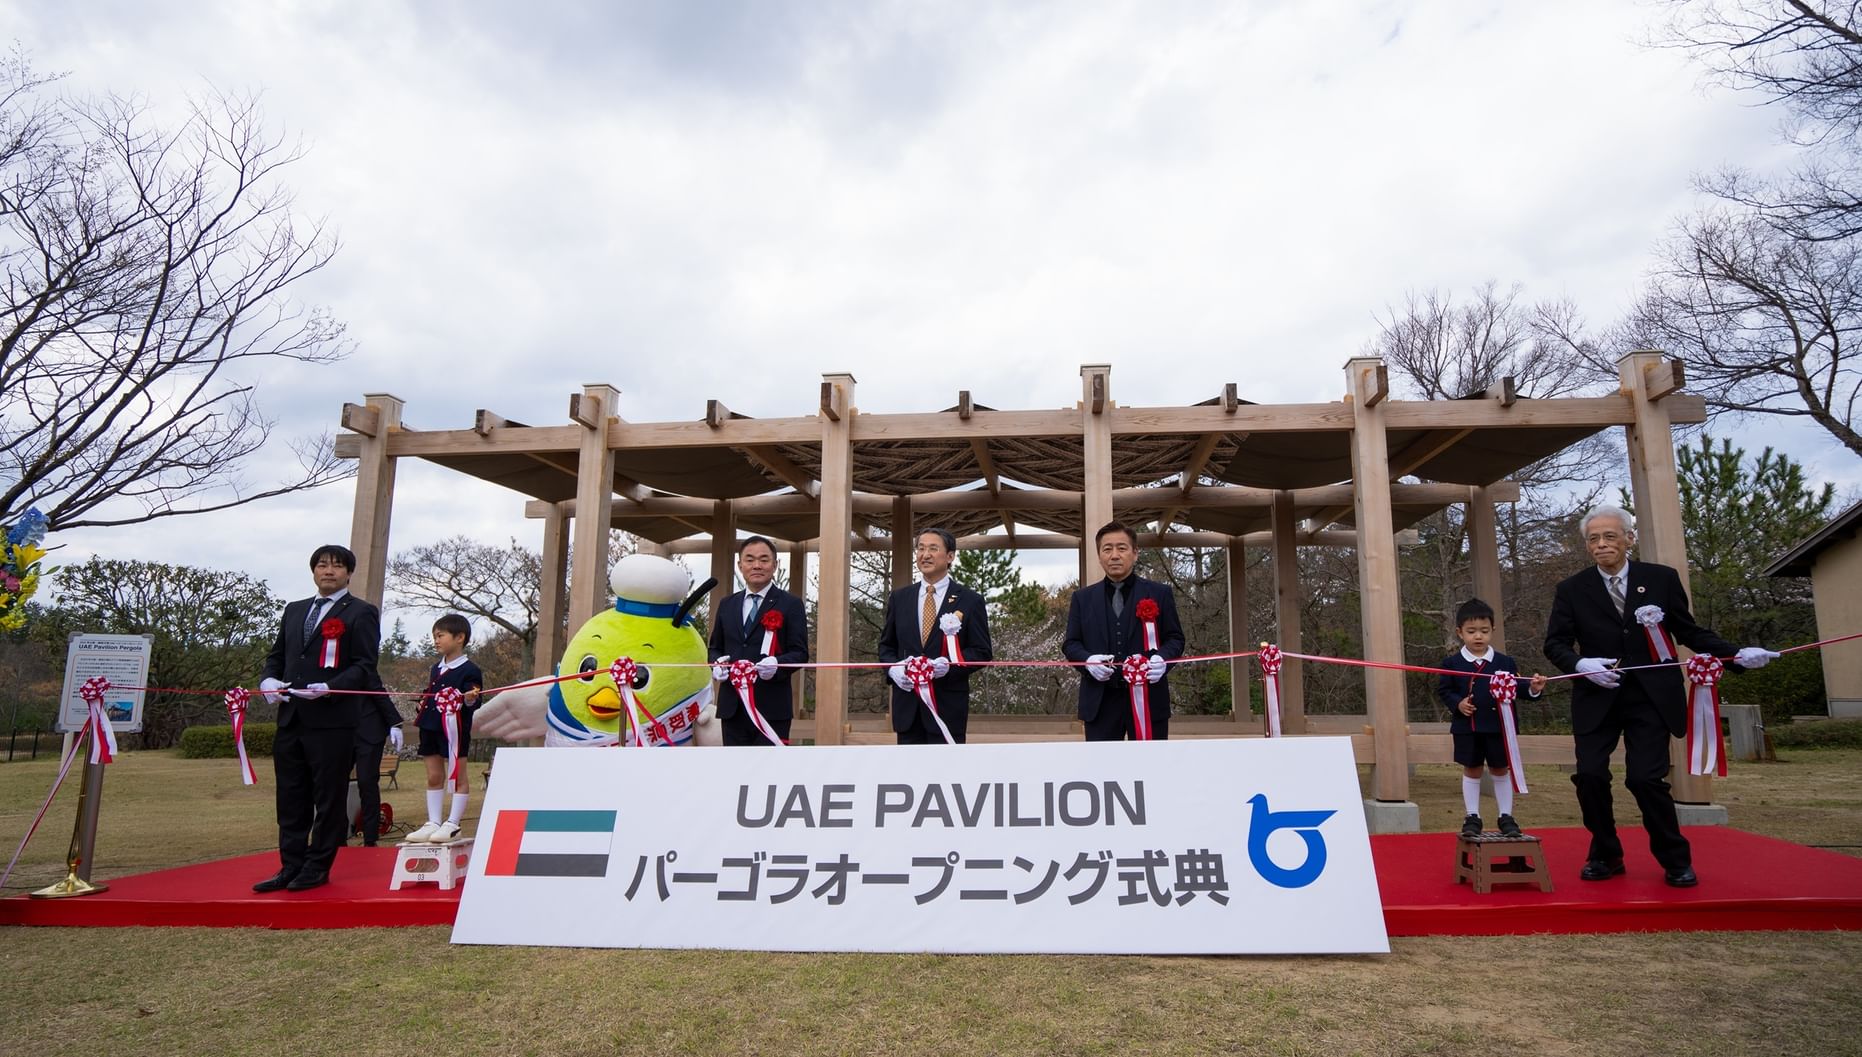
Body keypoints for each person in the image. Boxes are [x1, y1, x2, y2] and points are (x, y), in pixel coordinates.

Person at [1544, 504, 1779, 887]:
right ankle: (1606, 853)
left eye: (1610, 536)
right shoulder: (1572, 589)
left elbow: (1689, 632)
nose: (1602, 545)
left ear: (1628, 539)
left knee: (1645, 779)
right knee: (1589, 776)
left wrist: (1735, 654)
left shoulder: (1661, 579)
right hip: (1597, 697)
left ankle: (1674, 859)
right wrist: (1580, 664)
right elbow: (1555, 644)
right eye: (1594, 539)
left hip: (1650, 698)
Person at [254, 544, 382, 893]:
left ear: (348, 573)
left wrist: (330, 687)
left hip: (332, 721)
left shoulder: (360, 612)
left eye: (337, 566)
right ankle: (289, 865)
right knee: (290, 797)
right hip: (291, 718)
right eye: (323, 565)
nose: (329, 571)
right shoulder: (294, 610)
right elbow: (277, 655)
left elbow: (364, 667)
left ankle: (317, 866)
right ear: (313, 570)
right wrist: (267, 680)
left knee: (328, 798)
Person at [1062, 521, 1186, 741]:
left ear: (1135, 553)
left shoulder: (1159, 593)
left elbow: (1175, 638)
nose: (1114, 555)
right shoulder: (1082, 598)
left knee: (1152, 769)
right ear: (1099, 555)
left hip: (1149, 697)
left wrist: (1162, 660)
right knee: (1102, 770)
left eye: (1122, 548)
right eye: (1107, 549)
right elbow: (1071, 644)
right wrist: (1088, 661)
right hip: (1100, 702)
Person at [1437, 598, 1546, 838]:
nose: (1478, 637)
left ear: (1493, 631)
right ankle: (1472, 815)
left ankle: (1506, 816)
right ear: (1460, 632)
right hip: (1468, 728)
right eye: (1472, 631)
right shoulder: (1452, 663)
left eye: (1484, 631)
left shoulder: (1504, 662)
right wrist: (1458, 703)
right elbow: (1444, 690)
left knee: (1500, 769)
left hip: (1499, 728)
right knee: (1472, 769)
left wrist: (1535, 688)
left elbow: (1519, 689)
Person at [877, 527, 993, 744]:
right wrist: (893, 670)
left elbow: (982, 651)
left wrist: (949, 665)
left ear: (950, 556)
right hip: (907, 709)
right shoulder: (900, 598)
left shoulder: (969, 600)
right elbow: (886, 647)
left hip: (947, 709)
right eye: (920, 548)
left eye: (933, 548)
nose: (925, 554)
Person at [708, 536, 810, 745]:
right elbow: (715, 647)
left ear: (775, 565)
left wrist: (777, 665)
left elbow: (800, 653)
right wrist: (717, 664)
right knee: (734, 772)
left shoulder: (790, 604)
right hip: (732, 707)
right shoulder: (727, 604)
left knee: (771, 774)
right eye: (750, 559)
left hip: (772, 707)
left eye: (764, 560)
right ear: (740, 565)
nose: (757, 565)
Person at [406, 614, 483, 843]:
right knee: (433, 775)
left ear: (460, 638)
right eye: (434, 636)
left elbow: (474, 700)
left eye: (441, 636)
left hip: (454, 731)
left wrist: (469, 698)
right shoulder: (435, 669)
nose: (436, 640)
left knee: (458, 773)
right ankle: (433, 821)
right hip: (430, 726)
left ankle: (453, 822)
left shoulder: (470, 669)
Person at [352, 673, 403, 846]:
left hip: (369, 731)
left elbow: (377, 691)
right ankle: (335, 835)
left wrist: (395, 723)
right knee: (333, 783)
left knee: (367, 781)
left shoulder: (363, 664)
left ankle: (370, 836)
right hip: (342, 730)